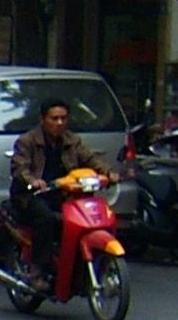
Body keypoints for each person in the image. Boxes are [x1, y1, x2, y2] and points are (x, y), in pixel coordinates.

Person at [9, 100, 108, 286]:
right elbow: (20, 168)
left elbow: (90, 159)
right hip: (31, 196)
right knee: (46, 218)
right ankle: (38, 270)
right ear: (43, 119)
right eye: (54, 118)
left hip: (62, 193)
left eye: (63, 118)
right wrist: (33, 181)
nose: (59, 123)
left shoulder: (72, 140)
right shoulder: (27, 141)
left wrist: (108, 172)